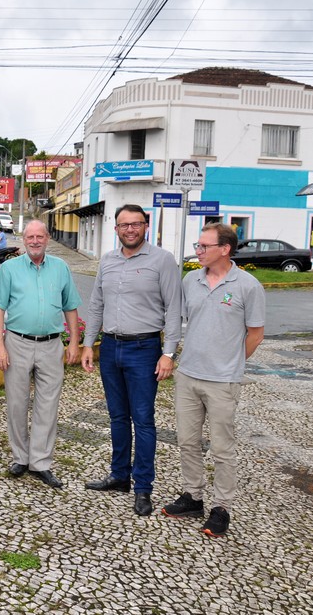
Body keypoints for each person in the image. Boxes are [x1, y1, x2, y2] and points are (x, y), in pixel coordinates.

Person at [161, 222, 265, 537]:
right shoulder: (190, 280)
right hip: (188, 375)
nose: (198, 251)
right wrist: (171, 355)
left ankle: (221, 509)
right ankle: (193, 496)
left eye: (204, 246)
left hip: (223, 381)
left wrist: (231, 363)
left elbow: (256, 334)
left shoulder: (248, 285)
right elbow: (176, 321)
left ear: (225, 249)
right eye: (197, 245)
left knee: (222, 448)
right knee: (187, 442)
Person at [80, 204, 182, 517]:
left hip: (144, 349)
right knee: (117, 417)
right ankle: (119, 475)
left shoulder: (162, 260)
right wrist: (88, 344)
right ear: (116, 229)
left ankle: (143, 487)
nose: (130, 230)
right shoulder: (107, 261)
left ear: (145, 226)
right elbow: (96, 305)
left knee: (143, 419)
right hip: (110, 348)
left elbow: (174, 309)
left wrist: (169, 353)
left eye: (135, 224)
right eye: (124, 225)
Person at [0, 220, 81, 488]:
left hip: (52, 345)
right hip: (17, 342)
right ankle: (20, 457)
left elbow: (71, 306)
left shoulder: (61, 268)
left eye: (40, 236)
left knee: (47, 405)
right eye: (30, 236)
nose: (35, 241)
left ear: (48, 238)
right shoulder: (9, 269)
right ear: (24, 239)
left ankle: (40, 462)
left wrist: (74, 342)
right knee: (17, 402)